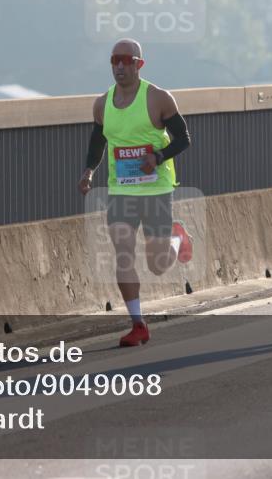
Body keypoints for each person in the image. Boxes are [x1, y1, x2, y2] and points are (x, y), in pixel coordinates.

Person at [79, 38, 193, 346]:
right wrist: (89, 171)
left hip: (156, 189)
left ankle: (177, 237)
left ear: (138, 64)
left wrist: (157, 157)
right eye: (115, 60)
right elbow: (97, 141)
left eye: (126, 60)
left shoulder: (158, 99)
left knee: (157, 264)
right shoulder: (102, 104)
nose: (119, 66)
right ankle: (138, 324)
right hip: (122, 191)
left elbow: (184, 139)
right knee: (123, 253)